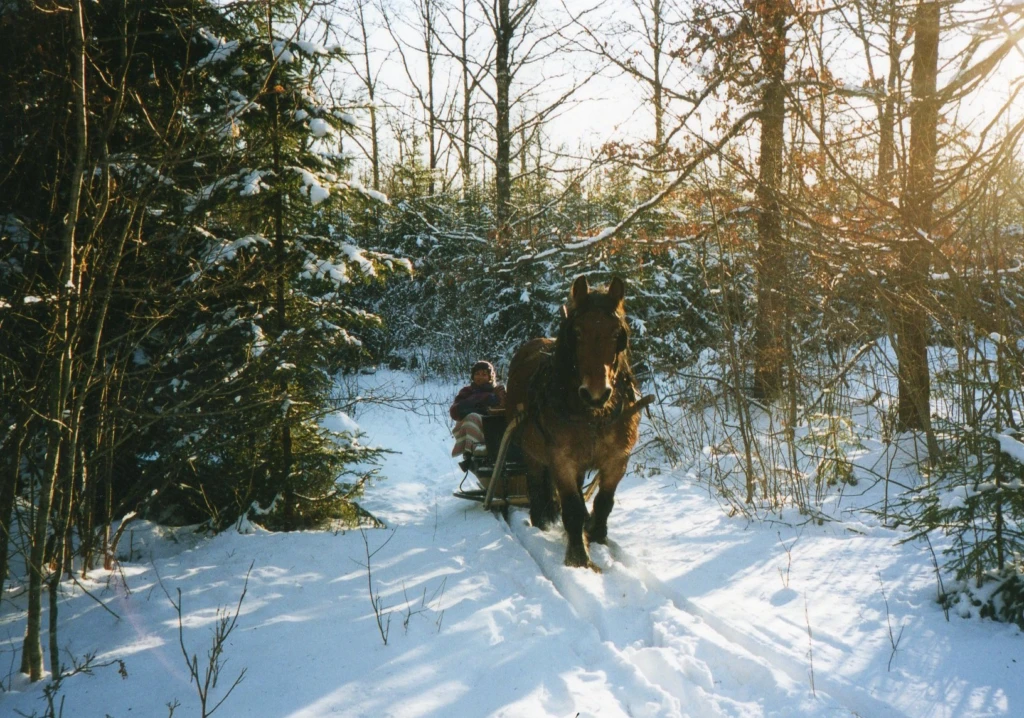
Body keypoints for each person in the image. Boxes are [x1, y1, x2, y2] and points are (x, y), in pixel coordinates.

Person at [450, 360, 506, 461]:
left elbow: (503, 407)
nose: (480, 377)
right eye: (477, 374)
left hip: (493, 428)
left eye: (484, 374)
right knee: (472, 417)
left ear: (490, 377)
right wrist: (479, 399)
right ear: (473, 376)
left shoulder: (497, 390)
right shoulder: (466, 392)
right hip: (473, 425)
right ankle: (470, 451)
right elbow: (454, 411)